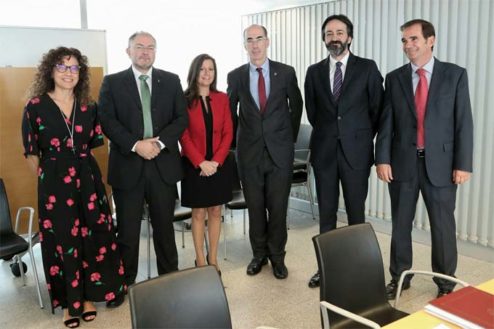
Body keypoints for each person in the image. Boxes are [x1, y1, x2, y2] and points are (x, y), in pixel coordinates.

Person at [21, 47, 125, 328]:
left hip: (88, 179)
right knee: (64, 241)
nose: (69, 73)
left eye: (74, 68)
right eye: (62, 67)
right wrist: (48, 178)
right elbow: (31, 153)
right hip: (54, 184)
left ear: (81, 73)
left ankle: (89, 296)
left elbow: (93, 145)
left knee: (91, 236)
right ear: (50, 71)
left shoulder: (89, 107)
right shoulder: (35, 106)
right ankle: (70, 303)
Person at [375, 19, 473, 299]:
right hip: (403, 163)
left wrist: (463, 164)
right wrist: (382, 158)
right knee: (400, 225)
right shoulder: (394, 78)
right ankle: (400, 277)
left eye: (414, 39)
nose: (408, 45)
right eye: (404, 40)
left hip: (441, 166)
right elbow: (387, 123)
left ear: (431, 40)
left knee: (443, 227)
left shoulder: (454, 75)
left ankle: (445, 284)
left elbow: (463, 122)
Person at [98, 32, 188, 287]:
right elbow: (107, 120)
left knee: (164, 229)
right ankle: (124, 283)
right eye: (139, 47)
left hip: (163, 166)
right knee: (127, 231)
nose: (145, 52)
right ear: (128, 51)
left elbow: (181, 119)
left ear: (155, 52)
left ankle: (169, 280)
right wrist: (136, 145)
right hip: (128, 166)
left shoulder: (171, 81)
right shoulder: (112, 82)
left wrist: (158, 143)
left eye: (150, 47)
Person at [304, 14, 384, 288]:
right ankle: (327, 269)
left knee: (355, 214)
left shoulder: (367, 68)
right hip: (325, 152)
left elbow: (377, 111)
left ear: (349, 37)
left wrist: (357, 137)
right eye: (329, 33)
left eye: (339, 32)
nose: (334, 38)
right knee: (326, 215)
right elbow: (314, 113)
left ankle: (358, 270)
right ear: (324, 38)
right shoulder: (313, 72)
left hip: (356, 154)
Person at [227, 24, 303, 279]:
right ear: (245, 45)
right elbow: (230, 112)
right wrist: (238, 144)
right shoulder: (236, 76)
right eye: (250, 40)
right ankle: (258, 255)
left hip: (279, 153)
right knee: (256, 207)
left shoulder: (286, 72)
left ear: (267, 41)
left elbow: (297, 105)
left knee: (278, 207)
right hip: (249, 154)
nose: (255, 44)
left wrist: (287, 139)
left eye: (259, 39)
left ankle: (278, 257)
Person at [180, 54, 234, 273]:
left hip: (218, 165)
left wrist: (216, 161)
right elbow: (183, 135)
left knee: (215, 210)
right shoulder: (183, 100)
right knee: (198, 213)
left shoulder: (222, 98)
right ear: (195, 72)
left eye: (210, 69)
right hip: (194, 165)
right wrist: (201, 162)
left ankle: (213, 259)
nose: (206, 73)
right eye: (202, 69)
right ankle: (200, 260)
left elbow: (229, 132)